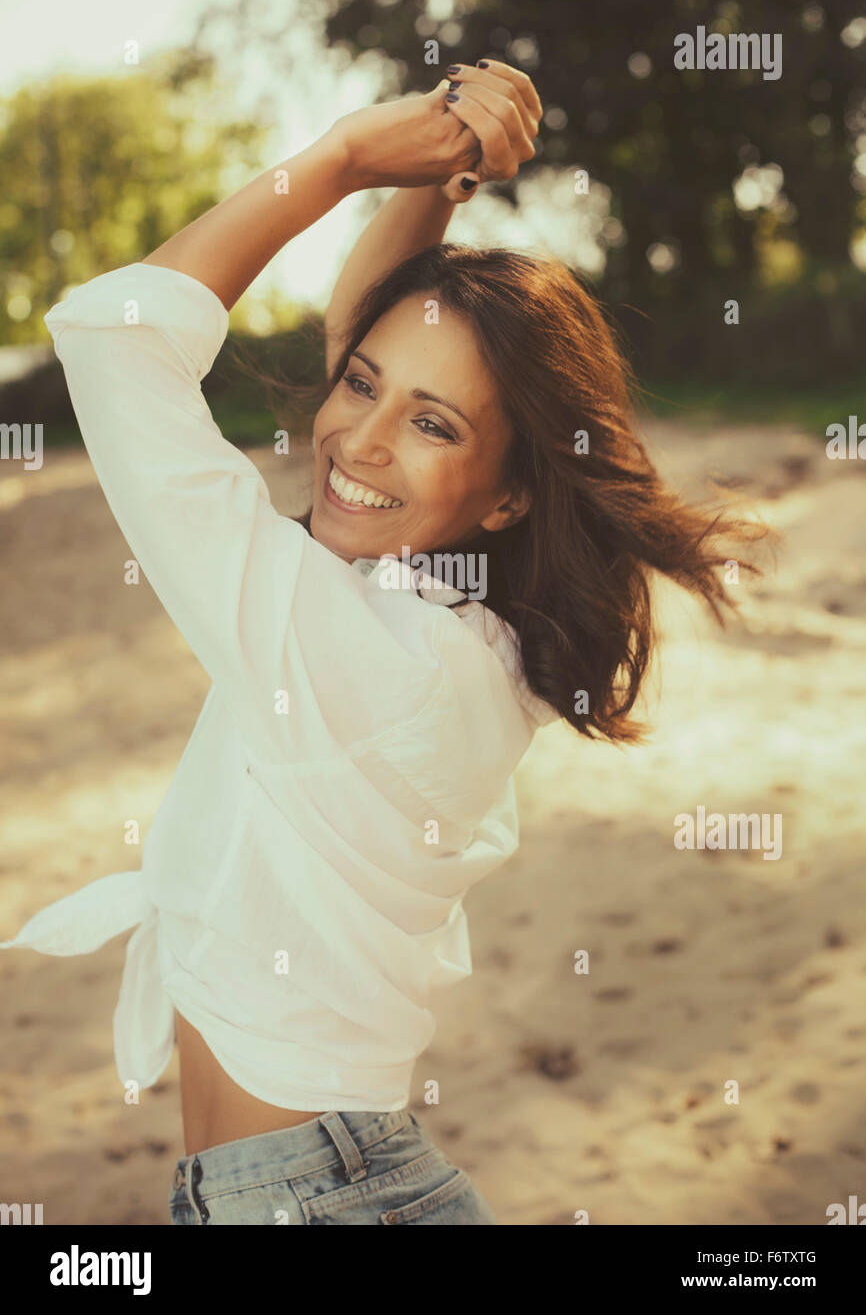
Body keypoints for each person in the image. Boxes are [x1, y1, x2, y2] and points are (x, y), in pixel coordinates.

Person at [1, 60, 764, 1225]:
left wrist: (349, 157)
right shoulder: (461, 630)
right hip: (325, 1184)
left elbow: (117, 338)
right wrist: (444, 170)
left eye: (432, 425)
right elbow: (374, 321)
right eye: (358, 386)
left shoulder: (358, 652)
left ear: (508, 495)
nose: (358, 440)